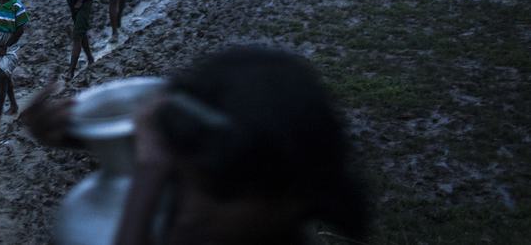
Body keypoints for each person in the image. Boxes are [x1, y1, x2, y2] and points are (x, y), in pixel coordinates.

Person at [21, 47, 371, 245]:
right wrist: (75, 134)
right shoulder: (240, 203)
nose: (188, 212)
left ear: (298, 194)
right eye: (180, 180)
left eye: (220, 194)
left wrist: (150, 176)